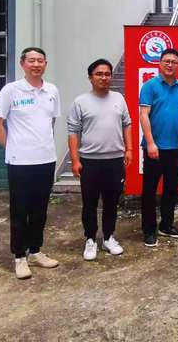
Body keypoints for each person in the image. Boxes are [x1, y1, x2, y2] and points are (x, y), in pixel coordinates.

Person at [0, 47, 61, 279]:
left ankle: (35, 251)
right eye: (31, 60)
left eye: (40, 60)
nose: (36, 64)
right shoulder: (11, 90)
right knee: (20, 211)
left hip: (46, 160)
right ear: (22, 64)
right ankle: (19, 257)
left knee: (40, 210)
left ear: (46, 64)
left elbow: (51, 123)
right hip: (20, 163)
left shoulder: (52, 91)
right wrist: (11, 148)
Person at [67, 59, 133, 261]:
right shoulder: (80, 102)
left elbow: (127, 124)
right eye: (99, 74)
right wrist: (75, 160)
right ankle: (90, 239)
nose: (104, 77)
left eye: (107, 74)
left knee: (112, 202)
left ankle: (108, 237)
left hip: (115, 160)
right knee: (89, 203)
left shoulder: (119, 98)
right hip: (90, 161)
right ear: (90, 77)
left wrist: (129, 149)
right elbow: (73, 132)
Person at [139, 48, 178, 247]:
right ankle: (149, 230)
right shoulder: (149, 86)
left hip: (176, 148)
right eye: (166, 61)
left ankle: (166, 225)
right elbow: (144, 115)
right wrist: (151, 143)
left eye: (174, 62)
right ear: (160, 63)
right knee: (149, 190)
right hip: (154, 148)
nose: (170, 64)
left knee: (171, 189)